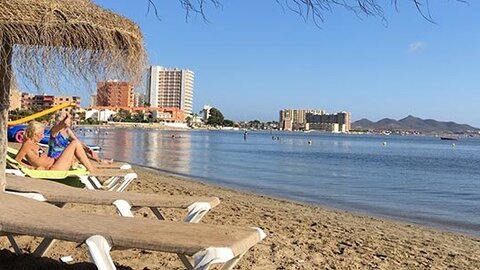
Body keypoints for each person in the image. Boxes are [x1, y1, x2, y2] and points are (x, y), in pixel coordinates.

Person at [15, 121, 98, 173]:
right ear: (33, 133)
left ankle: (94, 165)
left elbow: (31, 159)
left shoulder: (34, 143)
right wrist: (32, 168)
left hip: (55, 163)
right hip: (54, 168)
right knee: (75, 143)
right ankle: (92, 170)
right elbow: (17, 160)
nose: (43, 136)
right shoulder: (28, 144)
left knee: (75, 149)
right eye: (40, 133)